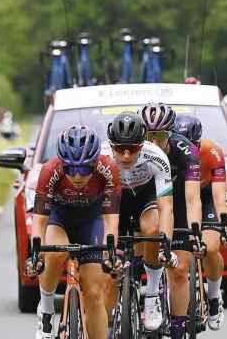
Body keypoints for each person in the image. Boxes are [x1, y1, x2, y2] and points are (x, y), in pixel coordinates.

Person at [30, 125, 120, 339]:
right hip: (59, 219)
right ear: (62, 163)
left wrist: (110, 253)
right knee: (54, 252)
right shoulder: (50, 170)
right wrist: (36, 255)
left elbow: (111, 221)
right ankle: (46, 309)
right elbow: (39, 222)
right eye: (70, 169)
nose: (78, 176)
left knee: (95, 293)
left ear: (95, 163)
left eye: (85, 169)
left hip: (92, 221)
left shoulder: (108, 169)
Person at [108, 111, 176, 332]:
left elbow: (166, 206)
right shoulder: (100, 157)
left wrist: (165, 241)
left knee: (152, 228)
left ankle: (152, 294)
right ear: (111, 146)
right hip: (115, 198)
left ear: (142, 144)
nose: (126, 156)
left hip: (144, 197)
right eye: (119, 149)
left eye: (133, 150)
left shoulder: (156, 156)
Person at [140, 102, 201, 339]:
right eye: (149, 135)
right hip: (147, 202)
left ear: (171, 133)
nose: (154, 143)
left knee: (179, 270)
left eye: (161, 135)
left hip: (177, 201)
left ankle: (178, 327)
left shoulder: (185, 150)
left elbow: (193, 198)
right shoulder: (133, 151)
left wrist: (194, 231)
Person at [173, 114, 227, 331]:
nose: (188, 150)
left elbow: (218, 194)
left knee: (210, 247)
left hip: (206, 197)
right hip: (182, 197)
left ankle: (214, 297)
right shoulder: (170, 152)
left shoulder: (212, 151)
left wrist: (223, 219)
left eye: (193, 145)